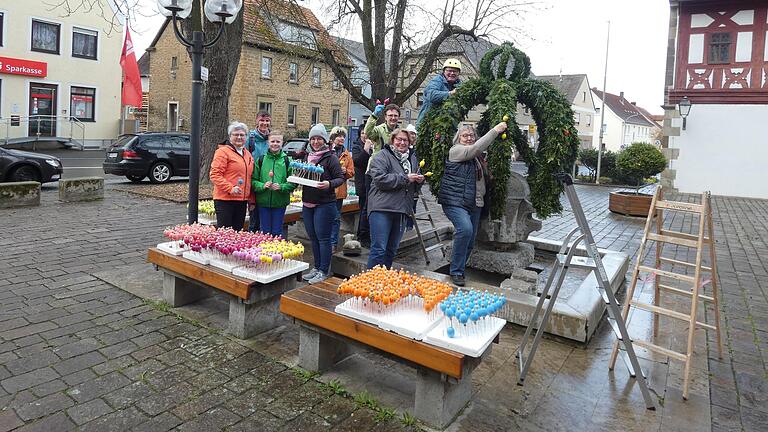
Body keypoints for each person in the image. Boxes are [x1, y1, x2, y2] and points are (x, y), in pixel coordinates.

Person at [439, 121, 508, 286]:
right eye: (465, 135)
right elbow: (475, 148)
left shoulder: (477, 158)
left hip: (475, 203)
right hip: (456, 201)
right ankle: (455, 271)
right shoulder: (456, 151)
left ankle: (460, 270)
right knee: (465, 230)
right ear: (458, 138)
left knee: (470, 240)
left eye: (471, 135)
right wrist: (495, 131)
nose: (469, 138)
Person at [366, 128, 424, 269]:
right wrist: (406, 178)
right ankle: (371, 284)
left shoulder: (413, 159)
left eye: (405, 140)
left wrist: (419, 181)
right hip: (382, 208)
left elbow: (412, 187)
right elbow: (380, 179)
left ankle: (384, 282)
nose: (402, 142)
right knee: (379, 249)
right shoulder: (382, 156)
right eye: (399, 139)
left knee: (391, 250)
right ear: (392, 140)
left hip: (402, 209)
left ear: (410, 142)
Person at [301, 124, 345, 284]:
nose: (315, 141)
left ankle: (323, 270)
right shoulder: (307, 156)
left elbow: (340, 177)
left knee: (323, 238)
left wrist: (329, 184)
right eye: (313, 138)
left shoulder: (330, 157)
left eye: (319, 138)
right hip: (307, 202)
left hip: (324, 204)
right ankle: (316, 267)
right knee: (312, 237)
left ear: (325, 140)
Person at [210, 121, 255, 230]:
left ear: (246, 137)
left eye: (242, 135)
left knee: (237, 233)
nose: (239, 137)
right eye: (236, 134)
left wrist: (251, 199)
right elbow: (215, 175)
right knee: (225, 234)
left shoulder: (247, 154)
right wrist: (230, 188)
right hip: (225, 200)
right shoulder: (223, 152)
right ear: (230, 136)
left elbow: (249, 178)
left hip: (241, 201)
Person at [251, 131, 295, 238]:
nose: (275, 144)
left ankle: (276, 253)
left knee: (277, 232)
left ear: (282, 143)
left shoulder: (287, 160)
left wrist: (282, 187)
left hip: (280, 202)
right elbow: (253, 180)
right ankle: (264, 254)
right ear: (268, 142)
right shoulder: (261, 160)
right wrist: (262, 185)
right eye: (272, 141)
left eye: (278, 141)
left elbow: (293, 182)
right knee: (264, 232)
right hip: (263, 202)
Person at [329, 127, 354, 251]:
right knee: (327, 216)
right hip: (327, 189)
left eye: (343, 136)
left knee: (336, 217)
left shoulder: (346, 154)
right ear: (333, 138)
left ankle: (333, 243)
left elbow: (351, 172)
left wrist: (346, 171)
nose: (342, 138)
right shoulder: (328, 151)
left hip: (339, 191)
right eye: (339, 136)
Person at [416, 58, 462, 125]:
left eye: (455, 71)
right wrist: (450, 93)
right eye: (449, 70)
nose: (452, 73)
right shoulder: (437, 81)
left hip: (447, 125)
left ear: (458, 73)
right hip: (428, 123)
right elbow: (432, 95)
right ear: (444, 71)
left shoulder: (459, 85)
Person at [247, 111, 271, 232]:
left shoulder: (272, 139)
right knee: (254, 217)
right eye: (262, 120)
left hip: (269, 180)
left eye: (267, 121)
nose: (264, 123)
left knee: (266, 217)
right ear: (256, 121)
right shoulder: (250, 138)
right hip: (254, 181)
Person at [351, 125, 373, 246]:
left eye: (367, 133)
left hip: (372, 183)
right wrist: (365, 150)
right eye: (363, 133)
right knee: (363, 210)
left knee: (368, 209)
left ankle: (365, 233)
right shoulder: (357, 147)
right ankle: (362, 235)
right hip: (362, 183)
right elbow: (358, 162)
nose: (365, 135)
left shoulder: (374, 145)